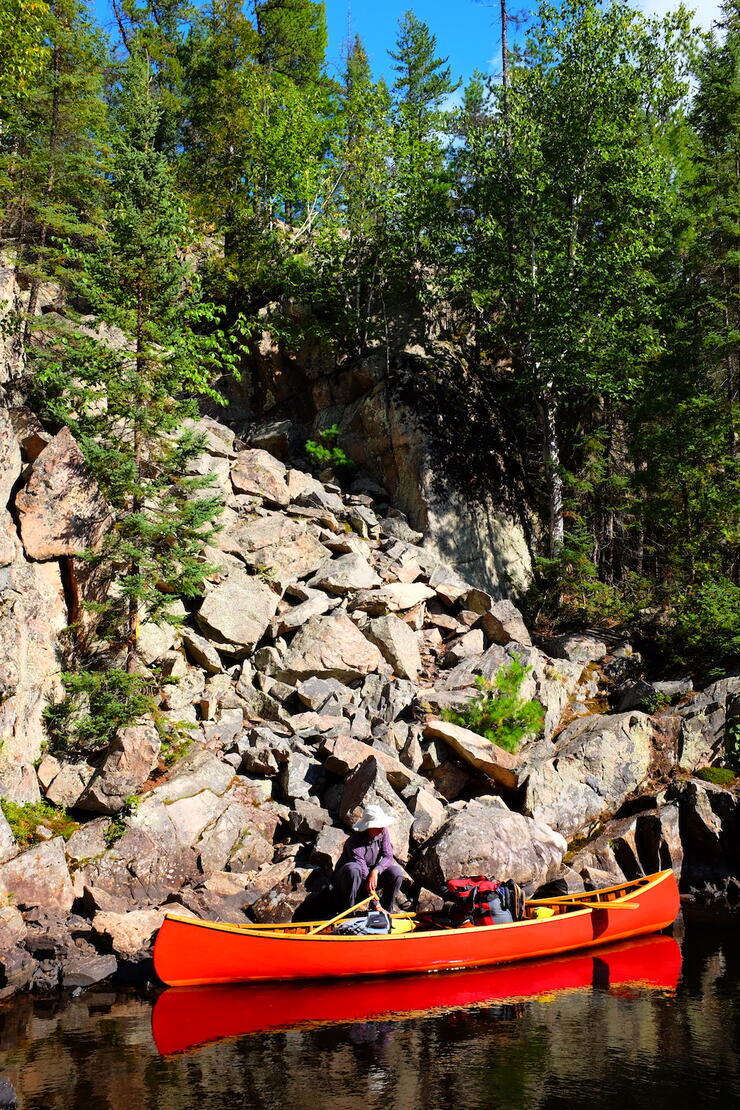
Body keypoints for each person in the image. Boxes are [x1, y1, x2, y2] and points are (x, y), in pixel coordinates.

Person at [334, 804, 404, 913]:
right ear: (369, 827)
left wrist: (376, 870)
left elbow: (388, 856)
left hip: (369, 877)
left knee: (396, 872)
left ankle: (386, 912)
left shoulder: (383, 832)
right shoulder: (354, 842)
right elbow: (363, 872)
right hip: (350, 880)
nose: (381, 828)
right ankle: (348, 911)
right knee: (353, 868)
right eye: (378, 826)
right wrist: (376, 903)